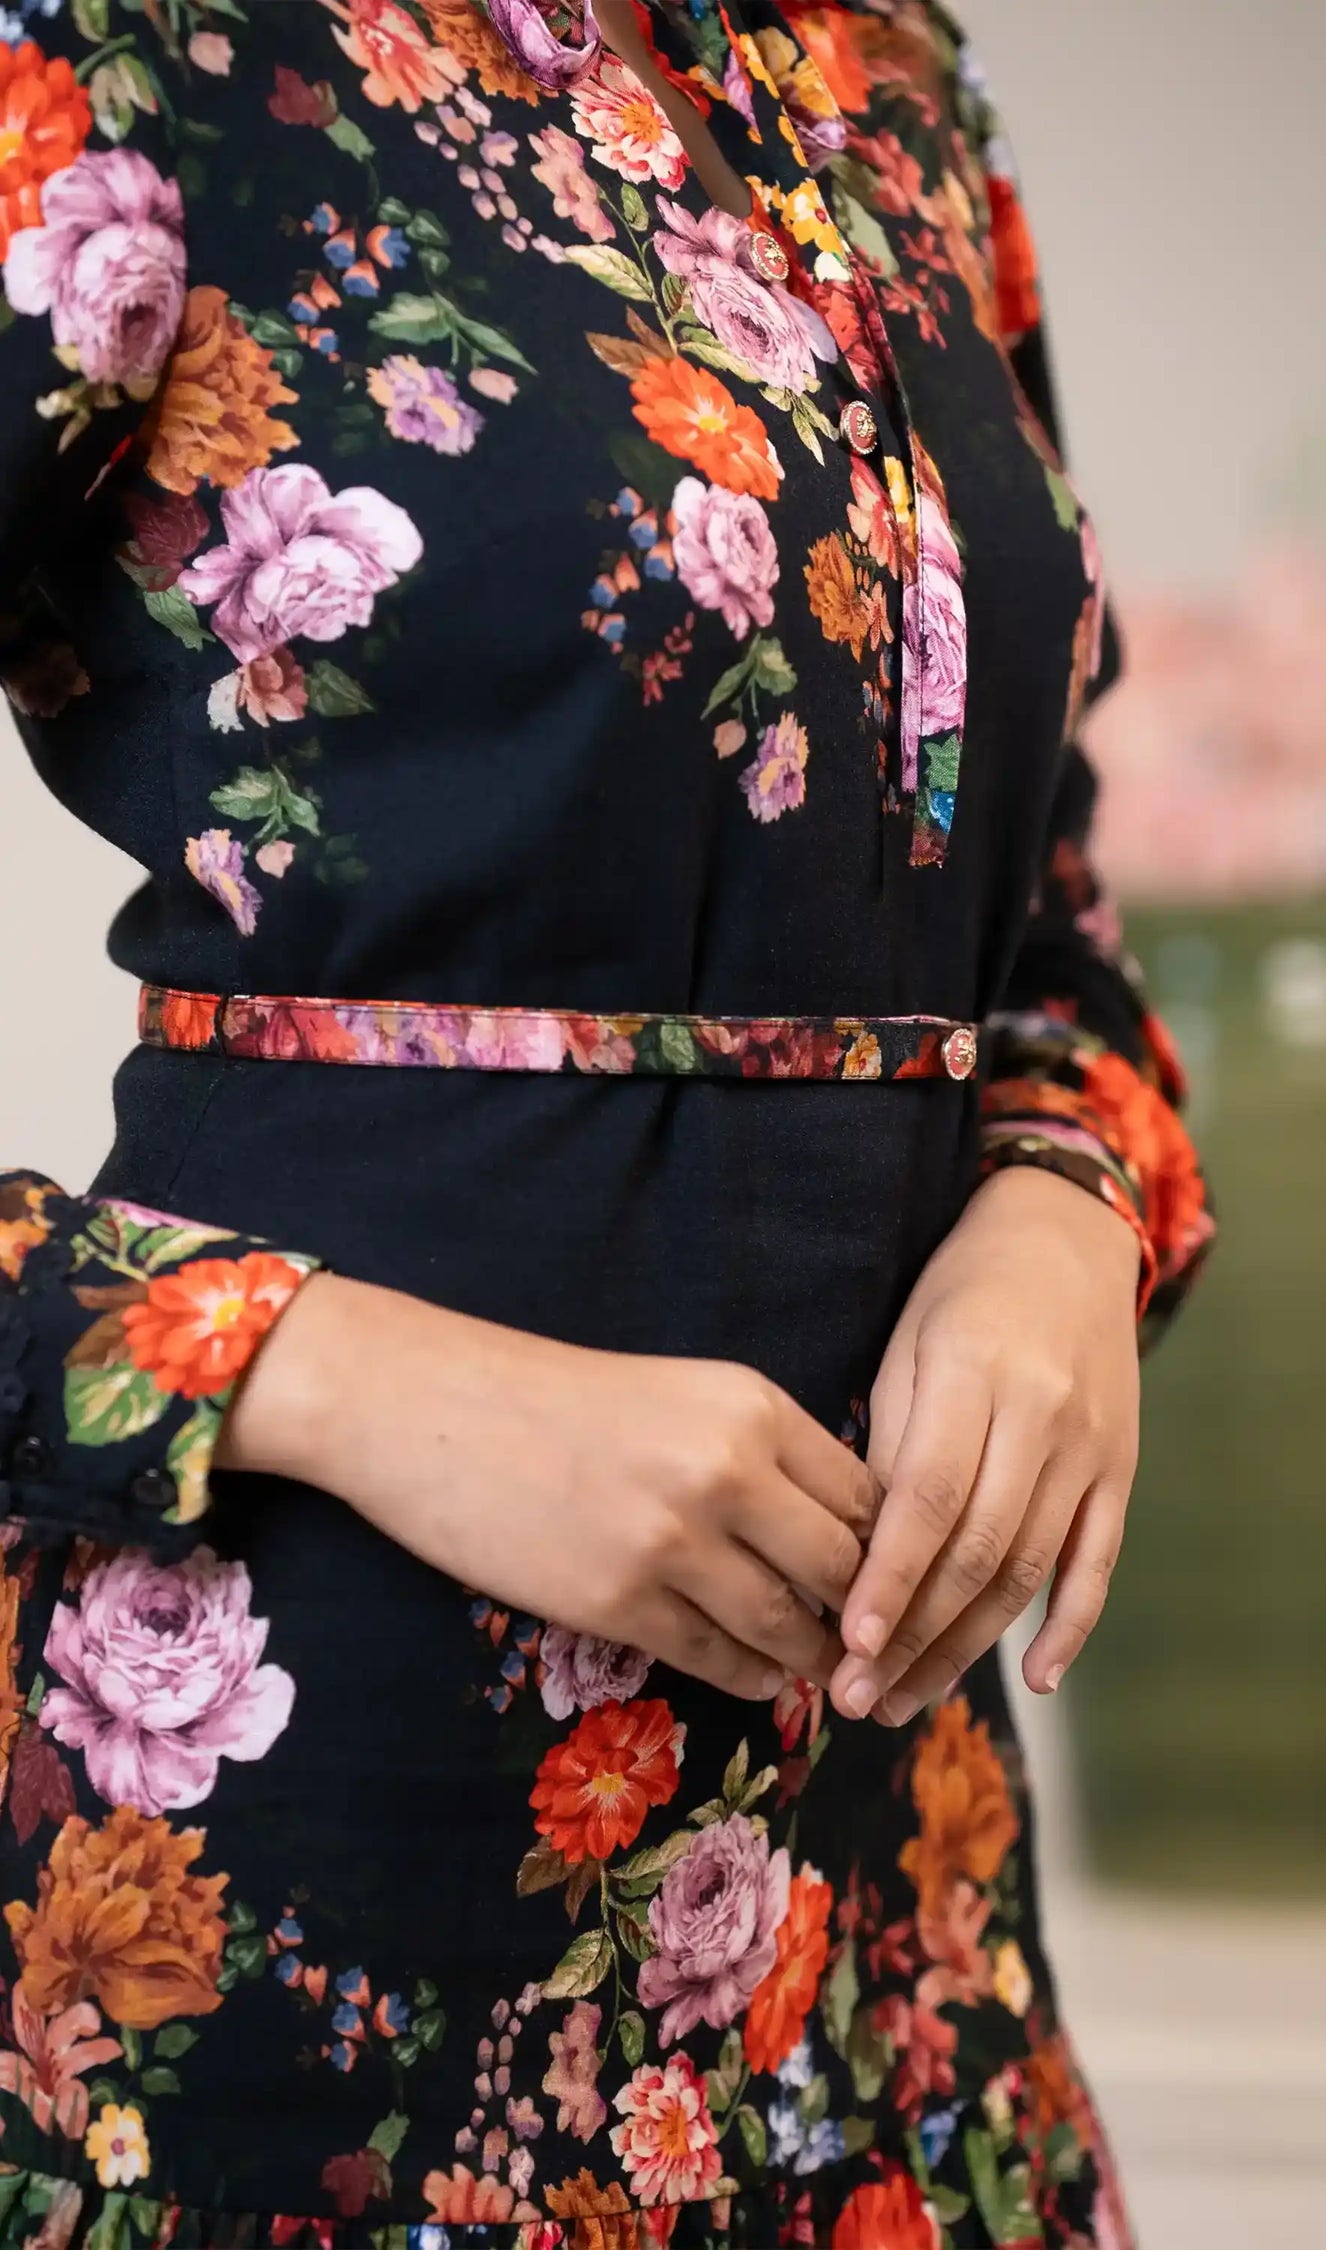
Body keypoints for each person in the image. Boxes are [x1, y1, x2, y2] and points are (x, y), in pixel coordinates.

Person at [0, 0, 1212, 2240]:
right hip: (301, 1857)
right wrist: (350, 1374)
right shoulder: (121, 41)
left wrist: (1062, 1203)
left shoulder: (893, 71)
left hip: (887, 1887)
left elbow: (1043, 910)